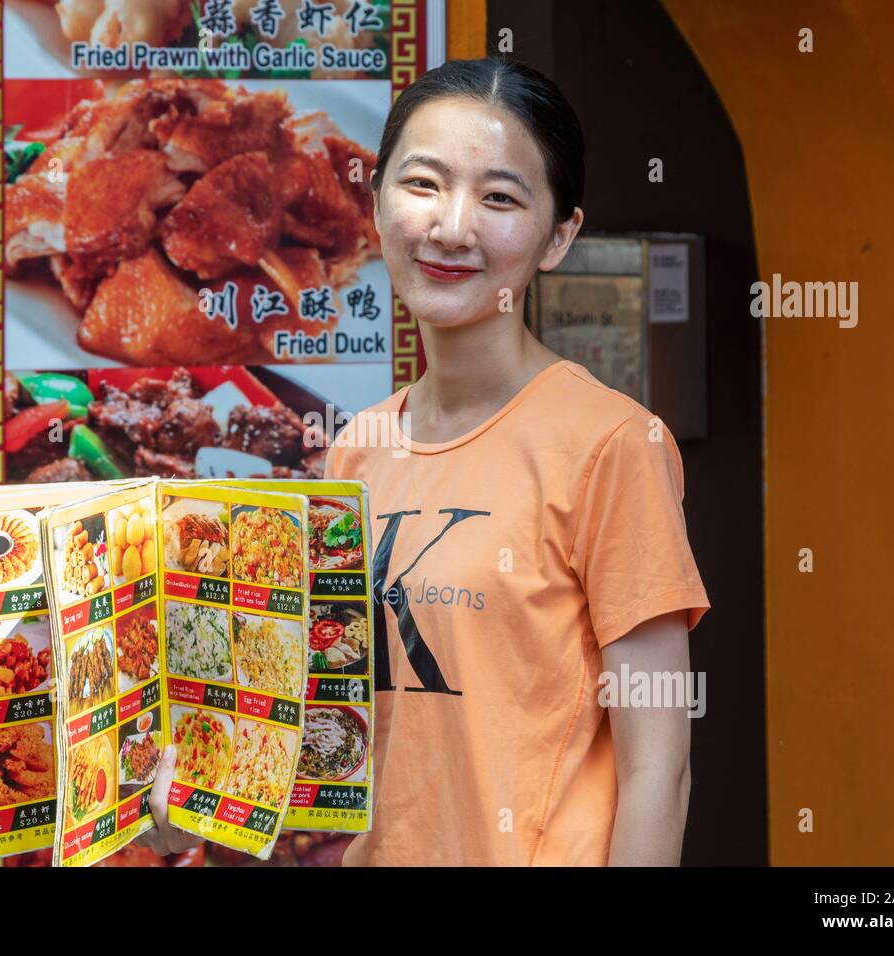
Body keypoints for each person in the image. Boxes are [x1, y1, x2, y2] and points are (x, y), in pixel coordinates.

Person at [143, 57, 710, 865]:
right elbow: (330, 733)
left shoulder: (611, 444)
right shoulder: (358, 448)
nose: (451, 226)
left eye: (500, 198)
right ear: (374, 201)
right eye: (424, 184)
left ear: (559, 237)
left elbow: (661, 771)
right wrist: (195, 803)